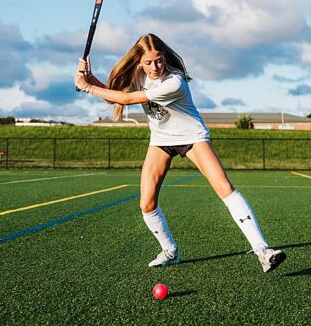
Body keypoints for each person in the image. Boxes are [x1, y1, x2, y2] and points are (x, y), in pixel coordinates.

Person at [74, 33, 285, 273]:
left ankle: (262, 250)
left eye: (159, 60)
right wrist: (90, 79)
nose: (155, 67)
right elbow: (117, 97)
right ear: (139, 61)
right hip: (161, 140)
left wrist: (88, 87)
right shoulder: (138, 74)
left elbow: (128, 99)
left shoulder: (175, 81)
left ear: (165, 57)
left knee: (224, 188)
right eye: (149, 62)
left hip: (192, 137)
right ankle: (170, 252)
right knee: (146, 203)